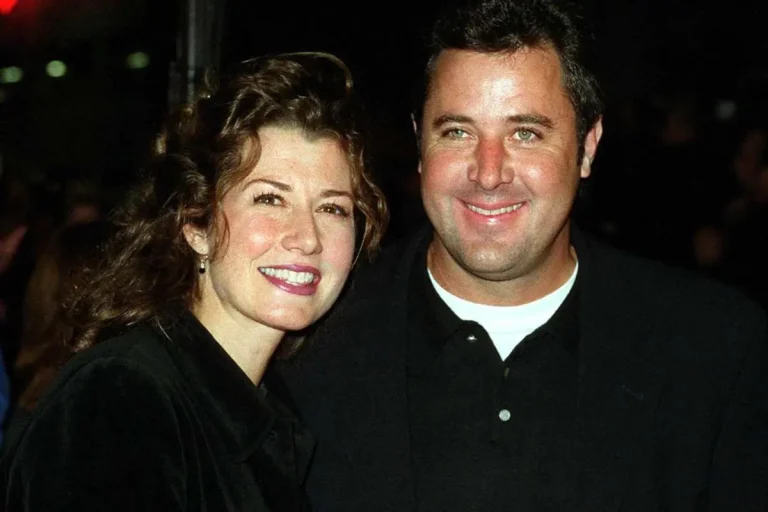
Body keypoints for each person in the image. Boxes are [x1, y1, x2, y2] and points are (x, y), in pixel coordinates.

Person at [277, 1, 768, 510]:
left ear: (588, 147)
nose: (489, 173)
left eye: (525, 133)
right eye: (458, 132)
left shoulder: (714, 352)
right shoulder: (307, 344)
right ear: (419, 144)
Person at [1, 52, 387, 511]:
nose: (307, 238)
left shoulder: (269, 408)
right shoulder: (123, 400)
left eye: (332, 208)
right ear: (195, 225)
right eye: (269, 198)